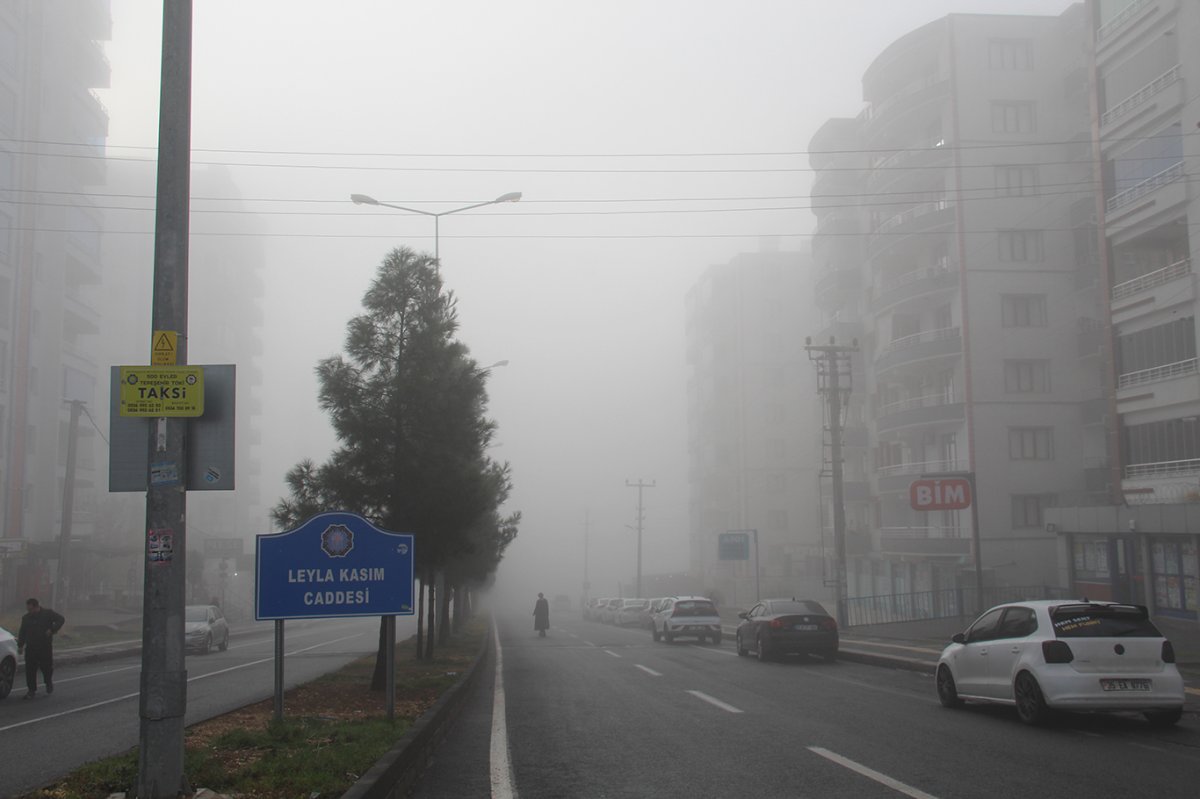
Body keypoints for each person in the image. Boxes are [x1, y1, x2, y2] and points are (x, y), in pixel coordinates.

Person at [17, 597, 65, 699]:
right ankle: (31, 690)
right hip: (31, 647)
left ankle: (48, 682)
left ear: (36, 607)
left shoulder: (47, 613)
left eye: (31, 609)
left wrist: (52, 630)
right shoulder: (26, 618)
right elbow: (22, 632)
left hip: (44, 647)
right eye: (28, 610)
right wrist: (20, 645)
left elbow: (61, 619)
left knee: (46, 667)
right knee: (30, 669)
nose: (29, 612)